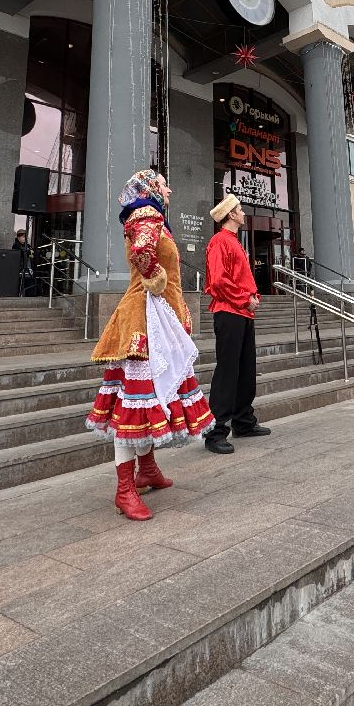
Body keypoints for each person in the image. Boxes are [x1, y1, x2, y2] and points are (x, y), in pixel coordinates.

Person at [85, 171, 213, 520]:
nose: (169, 188)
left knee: (149, 399)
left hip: (156, 322)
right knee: (134, 407)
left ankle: (148, 470)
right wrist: (154, 276)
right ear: (151, 189)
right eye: (163, 183)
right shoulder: (147, 214)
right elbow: (142, 250)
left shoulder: (152, 216)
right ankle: (124, 489)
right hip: (144, 323)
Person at [203, 194, 269, 453]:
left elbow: (239, 278)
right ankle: (216, 431)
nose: (243, 213)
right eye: (240, 209)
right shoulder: (220, 241)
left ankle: (243, 421)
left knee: (245, 369)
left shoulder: (233, 242)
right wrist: (245, 299)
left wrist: (250, 298)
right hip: (230, 312)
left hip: (241, 312)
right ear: (231, 214)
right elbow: (218, 282)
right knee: (228, 371)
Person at [12, 228, 34, 297]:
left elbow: (32, 253)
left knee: (29, 283)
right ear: (18, 237)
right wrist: (28, 252)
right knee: (19, 284)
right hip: (20, 269)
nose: (24, 239)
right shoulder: (16, 245)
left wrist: (29, 252)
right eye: (23, 237)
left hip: (28, 268)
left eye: (25, 237)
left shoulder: (27, 246)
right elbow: (21, 253)